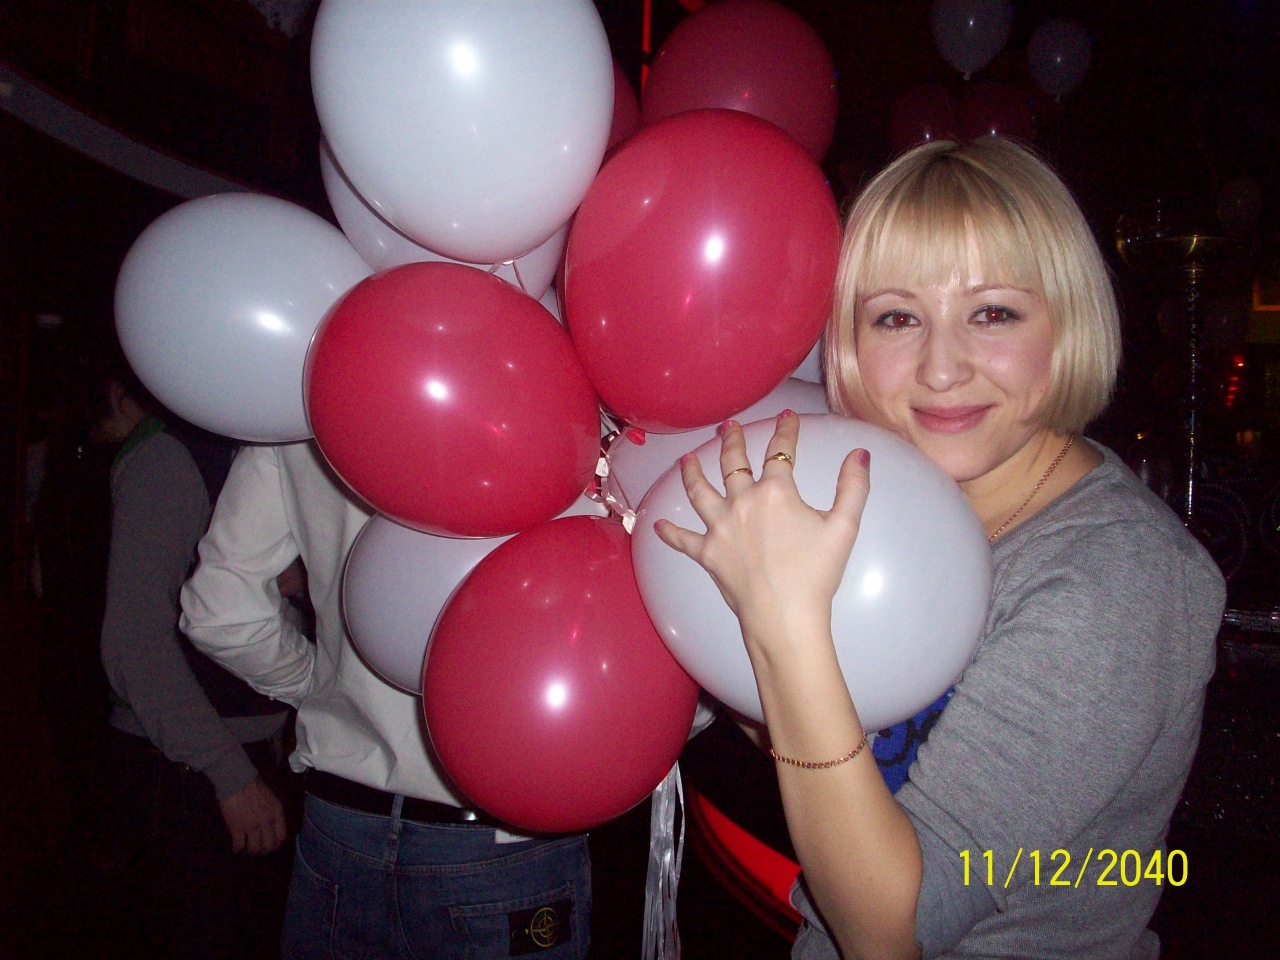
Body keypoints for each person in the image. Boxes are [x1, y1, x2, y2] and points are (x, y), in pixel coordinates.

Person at [655, 137, 1224, 959]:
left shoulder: (1117, 581)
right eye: (897, 317)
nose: (943, 368)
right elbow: (839, 746)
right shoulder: (890, 502)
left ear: (1066, 322)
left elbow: (892, 930)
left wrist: (782, 624)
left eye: (993, 313)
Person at [179, 440, 592, 960]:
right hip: (502, 834)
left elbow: (219, 612)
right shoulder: (585, 425)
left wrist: (322, 687)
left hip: (341, 825)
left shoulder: (297, 412)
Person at [97, 367, 294, 959]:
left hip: (240, 755)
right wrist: (229, 774)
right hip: (187, 769)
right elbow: (134, 642)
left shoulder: (241, 450)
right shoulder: (171, 458)